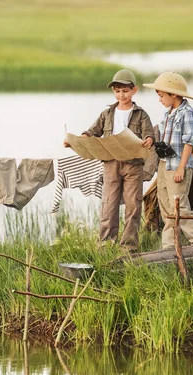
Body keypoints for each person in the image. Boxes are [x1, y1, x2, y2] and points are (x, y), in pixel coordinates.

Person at [64, 69, 155, 252]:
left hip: (133, 165)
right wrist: (79, 139)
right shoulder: (107, 114)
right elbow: (91, 132)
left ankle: (128, 246)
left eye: (125, 91)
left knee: (133, 205)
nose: (121, 95)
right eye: (117, 91)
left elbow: (149, 135)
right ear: (114, 91)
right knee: (109, 204)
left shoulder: (141, 114)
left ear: (134, 90)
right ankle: (105, 245)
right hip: (111, 164)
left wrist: (148, 140)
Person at [143, 72, 193, 250]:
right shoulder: (168, 114)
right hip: (164, 165)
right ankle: (169, 248)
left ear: (173, 94)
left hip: (178, 166)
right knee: (166, 209)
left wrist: (181, 168)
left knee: (179, 208)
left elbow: (190, 142)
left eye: (161, 96)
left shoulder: (187, 113)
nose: (160, 100)